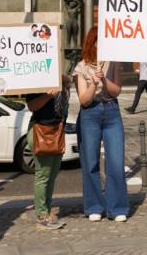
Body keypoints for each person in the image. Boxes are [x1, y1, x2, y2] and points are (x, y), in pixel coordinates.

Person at [73, 29, 129, 222]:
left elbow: (116, 91)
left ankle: (117, 207)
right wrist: (93, 84)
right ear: (91, 43)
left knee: (116, 161)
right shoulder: (81, 67)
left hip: (111, 111)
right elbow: (84, 100)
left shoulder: (113, 63)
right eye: (98, 41)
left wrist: (104, 80)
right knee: (90, 162)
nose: (102, 45)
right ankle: (94, 206)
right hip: (90, 114)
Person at [25, 77, 71, 230]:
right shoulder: (37, 78)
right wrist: (48, 95)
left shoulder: (61, 78)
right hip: (41, 130)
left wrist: (65, 82)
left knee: (52, 175)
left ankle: (47, 211)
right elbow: (31, 106)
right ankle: (42, 215)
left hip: (57, 130)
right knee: (43, 175)